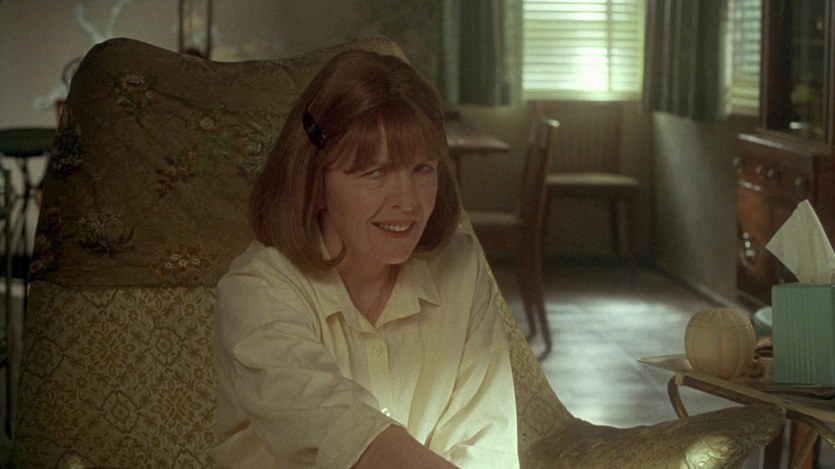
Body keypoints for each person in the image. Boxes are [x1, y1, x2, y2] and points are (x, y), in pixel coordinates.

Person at [212, 49, 519, 468]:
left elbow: (484, 442)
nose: (407, 202)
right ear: (315, 181)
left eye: (422, 169)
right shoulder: (257, 291)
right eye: (374, 173)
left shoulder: (460, 266)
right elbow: (348, 437)